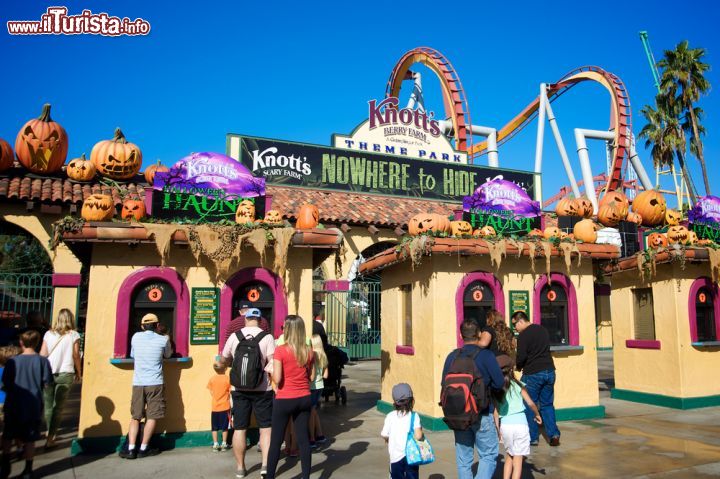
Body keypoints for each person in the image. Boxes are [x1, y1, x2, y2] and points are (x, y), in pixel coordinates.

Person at [442, 320, 504, 479]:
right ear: (478, 335)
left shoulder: (452, 356)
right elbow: (499, 383)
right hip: (482, 413)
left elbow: (444, 384)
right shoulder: (486, 355)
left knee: (463, 460)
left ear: (461, 335)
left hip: (458, 414)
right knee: (488, 455)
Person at [221, 307, 275, 478]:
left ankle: (240, 468)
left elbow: (224, 359)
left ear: (246, 319)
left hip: (239, 389)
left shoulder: (234, 336)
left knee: (240, 428)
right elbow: (272, 363)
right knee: (266, 428)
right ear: (259, 321)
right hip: (262, 389)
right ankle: (265, 466)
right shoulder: (267, 337)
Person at [265, 315, 314, 479]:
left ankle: (270, 476)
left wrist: (270, 373)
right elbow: (312, 377)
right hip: (304, 398)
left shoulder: (281, 350)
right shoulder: (309, 351)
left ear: (289, 330)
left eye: (284, 327)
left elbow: (278, 379)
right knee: (303, 440)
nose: (283, 330)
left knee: (276, 441)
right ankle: (305, 476)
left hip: (285, 398)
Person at [119, 313, 173, 459]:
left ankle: (131, 448)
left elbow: (133, 354)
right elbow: (168, 355)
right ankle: (144, 448)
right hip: (155, 382)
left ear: (143, 326)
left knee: (135, 416)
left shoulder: (135, 337)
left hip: (138, 383)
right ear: (156, 326)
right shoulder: (163, 340)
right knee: (152, 416)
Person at [1, 330, 53, 479]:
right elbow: (48, 383)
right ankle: (28, 469)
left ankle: (5, 461)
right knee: (30, 438)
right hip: (33, 404)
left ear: (21, 343)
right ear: (37, 343)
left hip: (13, 403)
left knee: (8, 434)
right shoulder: (43, 361)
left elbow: (5, 384)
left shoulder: (12, 362)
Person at [512, 311, 560, 447]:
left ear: (521, 321)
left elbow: (521, 357)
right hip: (549, 371)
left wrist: (518, 367)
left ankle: (533, 438)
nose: (515, 328)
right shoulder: (542, 329)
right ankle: (554, 435)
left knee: (530, 405)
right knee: (547, 405)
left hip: (533, 373)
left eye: (515, 324)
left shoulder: (523, 336)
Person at [492, 355, 542, 479]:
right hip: (520, 425)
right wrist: (537, 414)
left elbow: (495, 412)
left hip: (506, 426)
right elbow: (530, 403)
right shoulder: (518, 385)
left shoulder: (496, 389)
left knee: (509, 455)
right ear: (511, 370)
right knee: (518, 461)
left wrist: (498, 430)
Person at [39, 308, 82, 448]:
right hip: (66, 372)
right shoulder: (74, 335)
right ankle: (51, 437)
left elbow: (43, 354)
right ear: (71, 319)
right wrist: (79, 372)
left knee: (48, 406)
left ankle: (49, 432)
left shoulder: (48, 334)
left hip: (48, 372)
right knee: (59, 407)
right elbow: (76, 355)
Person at [381, 383, 424, 479]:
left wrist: (388, 439)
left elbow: (384, 434)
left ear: (395, 402)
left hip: (395, 457)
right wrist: (421, 432)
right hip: (412, 456)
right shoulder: (414, 416)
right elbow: (418, 436)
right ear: (411, 401)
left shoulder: (390, 416)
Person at [207, 361, 231, 452]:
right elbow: (230, 391)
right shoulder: (227, 379)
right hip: (225, 406)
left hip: (215, 407)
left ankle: (216, 444)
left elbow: (211, 392)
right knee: (225, 427)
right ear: (225, 369)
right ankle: (224, 443)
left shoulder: (212, 379)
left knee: (214, 427)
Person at [309, 334, 328, 447]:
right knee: (314, 411)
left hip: (312, 386)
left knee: (311, 412)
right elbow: (326, 375)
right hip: (320, 385)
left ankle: (312, 438)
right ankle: (320, 435)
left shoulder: (312, 355)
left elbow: (311, 375)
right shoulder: (323, 355)